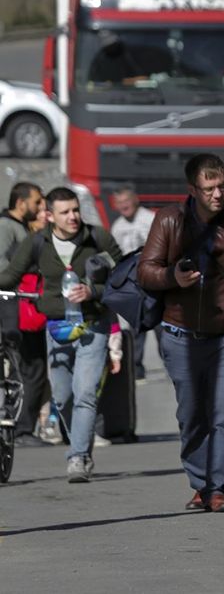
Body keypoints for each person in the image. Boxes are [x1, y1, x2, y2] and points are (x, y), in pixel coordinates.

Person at [139, 154, 224, 512]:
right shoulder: (169, 220)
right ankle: (200, 484)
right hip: (179, 335)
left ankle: (217, 489)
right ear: (192, 190)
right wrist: (173, 278)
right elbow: (146, 271)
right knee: (193, 413)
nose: (218, 194)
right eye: (209, 189)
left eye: (222, 187)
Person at [0, 187, 122, 482]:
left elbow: (125, 276)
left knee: (84, 394)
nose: (73, 217)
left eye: (76, 210)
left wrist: (93, 291)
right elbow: (10, 277)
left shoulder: (97, 237)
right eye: (65, 212)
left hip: (93, 324)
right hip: (56, 328)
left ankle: (78, 457)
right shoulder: (37, 242)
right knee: (63, 397)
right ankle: (81, 442)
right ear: (49, 215)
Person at [0, 182, 50, 447]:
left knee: (32, 368)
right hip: (15, 311)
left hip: (23, 309)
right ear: (21, 203)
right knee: (29, 369)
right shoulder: (7, 227)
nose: (40, 207)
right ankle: (21, 430)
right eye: (37, 202)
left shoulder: (19, 228)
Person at [108, 185, 159, 379]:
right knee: (136, 326)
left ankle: (171, 364)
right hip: (132, 284)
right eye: (119, 203)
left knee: (160, 326)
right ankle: (136, 368)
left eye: (126, 201)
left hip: (153, 281)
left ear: (135, 200)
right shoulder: (117, 226)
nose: (123, 206)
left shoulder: (150, 219)